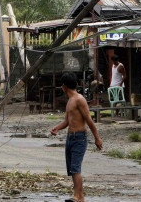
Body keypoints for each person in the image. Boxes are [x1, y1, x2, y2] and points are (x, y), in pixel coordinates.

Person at [51, 73, 103, 202]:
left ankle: (78, 196)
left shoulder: (79, 99)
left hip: (79, 137)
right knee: (72, 169)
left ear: (64, 86)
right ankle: (79, 197)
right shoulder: (70, 101)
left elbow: (89, 120)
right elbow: (67, 122)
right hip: (70, 137)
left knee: (75, 167)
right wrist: (57, 128)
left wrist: (97, 138)